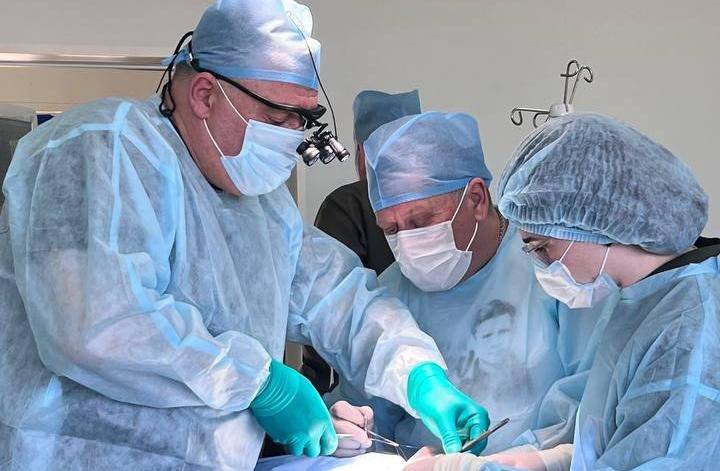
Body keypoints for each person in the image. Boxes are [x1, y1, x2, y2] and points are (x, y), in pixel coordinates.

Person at [0, 2, 490, 469]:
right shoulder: (103, 148)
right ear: (205, 95)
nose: (291, 138)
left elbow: (341, 300)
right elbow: (99, 324)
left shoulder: (264, 207)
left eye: (302, 121)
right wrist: (258, 381)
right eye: (277, 120)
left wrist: (418, 374)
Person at [409, 112, 720, 470]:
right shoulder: (641, 300)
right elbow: (619, 438)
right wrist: (550, 461)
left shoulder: (689, 332)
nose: (543, 266)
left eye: (542, 247)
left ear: (597, 222)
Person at [326, 111, 612, 462]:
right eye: (391, 229)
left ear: (476, 198)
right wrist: (349, 427)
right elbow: (371, 411)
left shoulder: (554, 269)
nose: (408, 243)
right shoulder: (389, 293)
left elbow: (596, 412)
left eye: (421, 220)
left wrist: (517, 464)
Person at [303, 89, 421, 395]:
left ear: (360, 151)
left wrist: (319, 387)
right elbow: (334, 304)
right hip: (415, 370)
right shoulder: (351, 207)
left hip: (376, 377)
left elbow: (329, 308)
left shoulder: (348, 204)